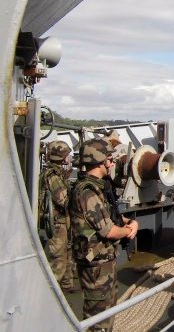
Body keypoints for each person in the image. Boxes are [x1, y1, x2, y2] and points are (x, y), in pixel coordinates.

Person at [70, 138, 138, 332]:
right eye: (109, 159)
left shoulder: (97, 188)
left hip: (104, 263)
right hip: (95, 267)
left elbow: (107, 216)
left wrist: (128, 221)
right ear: (100, 161)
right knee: (98, 319)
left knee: (107, 312)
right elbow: (108, 231)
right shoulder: (88, 193)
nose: (112, 163)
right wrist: (129, 230)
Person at [40, 140, 77, 292]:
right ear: (62, 157)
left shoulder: (58, 173)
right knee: (59, 259)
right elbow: (62, 199)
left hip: (64, 221)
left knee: (68, 253)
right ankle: (50, 291)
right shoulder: (53, 175)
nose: (69, 158)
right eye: (67, 155)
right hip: (58, 222)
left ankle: (66, 286)